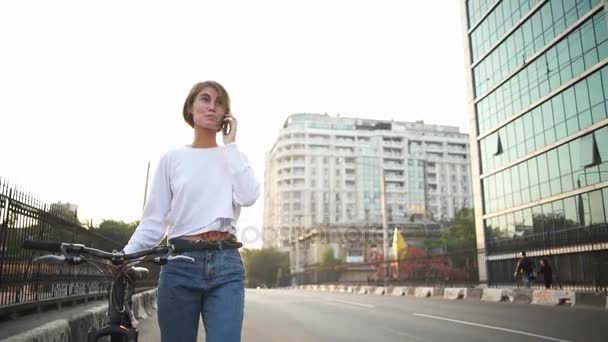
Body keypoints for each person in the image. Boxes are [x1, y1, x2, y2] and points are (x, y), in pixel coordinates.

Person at [123, 81, 260, 342]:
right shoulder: (172, 159)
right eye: (205, 99)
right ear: (190, 108)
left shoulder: (234, 157)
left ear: (226, 115)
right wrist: (126, 257)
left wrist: (230, 145)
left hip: (226, 265)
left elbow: (249, 195)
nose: (212, 107)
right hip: (180, 264)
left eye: (219, 103)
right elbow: (154, 222)